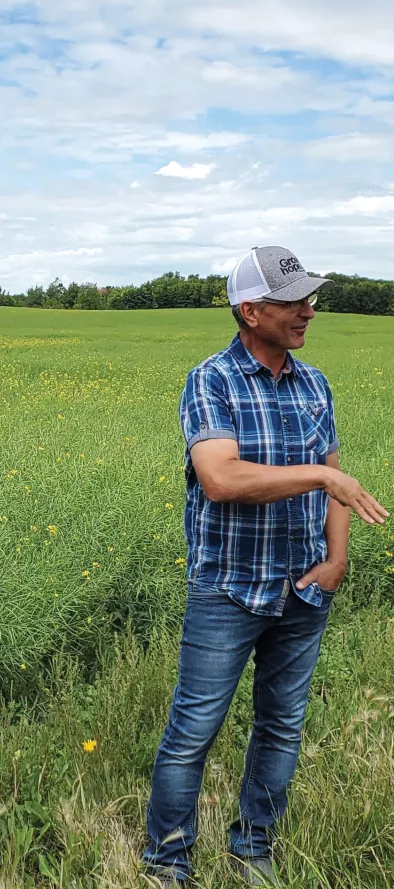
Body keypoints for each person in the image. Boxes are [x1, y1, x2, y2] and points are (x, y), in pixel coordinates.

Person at [142, 246, 389, 886]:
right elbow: (220, 478)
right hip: (227, 587)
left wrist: (335, 559)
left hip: (303, 589)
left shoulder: (315, 384)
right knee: (194, 731)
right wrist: (321, 476)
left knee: (280, 728)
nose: (309, 311)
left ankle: (253, 849)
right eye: (293, 302)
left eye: (310, 298)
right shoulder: (213, 380)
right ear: (250, 311)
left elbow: (334, 478)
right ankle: (167, 862)